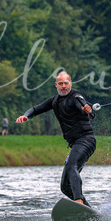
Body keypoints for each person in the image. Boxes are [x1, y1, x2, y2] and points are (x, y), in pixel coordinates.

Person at [16, 71, 96, 205]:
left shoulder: (76, 96)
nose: (63, 86)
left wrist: (88, 110)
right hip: (75, 143)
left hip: (86, 140)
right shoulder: (54, 101)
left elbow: (84, 108)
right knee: (65, 187)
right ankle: (87, 210)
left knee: (71, 166)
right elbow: (36, 109)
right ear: (56, 85)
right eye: (61, 84)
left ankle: (78, 201)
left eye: (66, 83)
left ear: (70, 83)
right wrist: (26, 116)